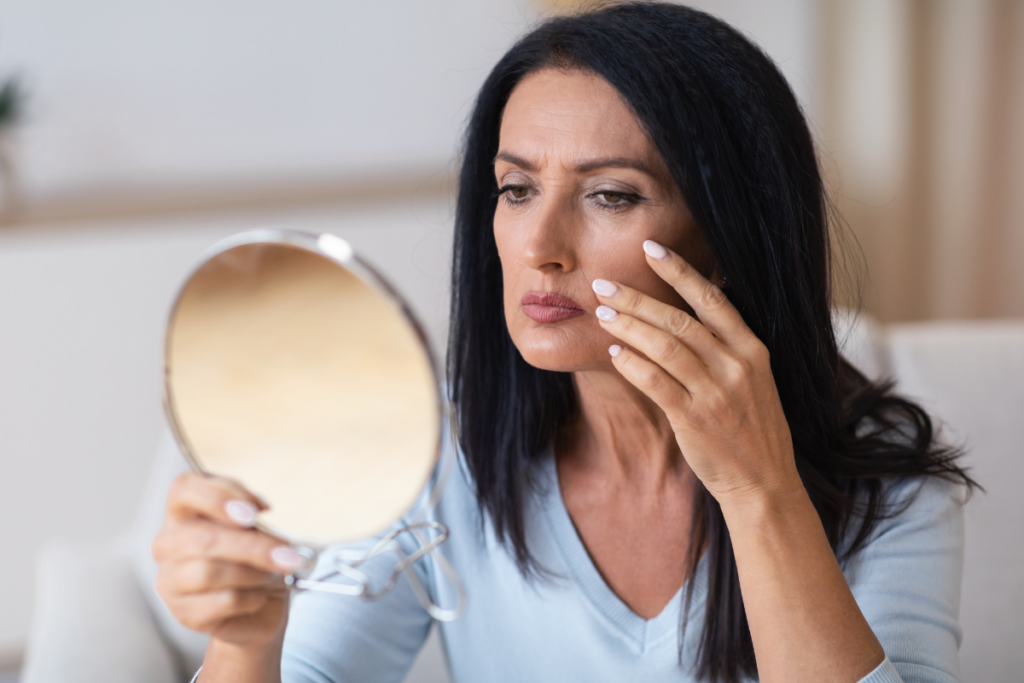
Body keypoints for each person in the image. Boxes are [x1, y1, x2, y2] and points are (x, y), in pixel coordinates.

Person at [152, 4, 976, 682]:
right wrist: (245, 639)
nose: (540, 242)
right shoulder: (438, 454)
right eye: (515, 188)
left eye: (611, 195)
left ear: (726, 237)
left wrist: (762, 495)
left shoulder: (892, 483)